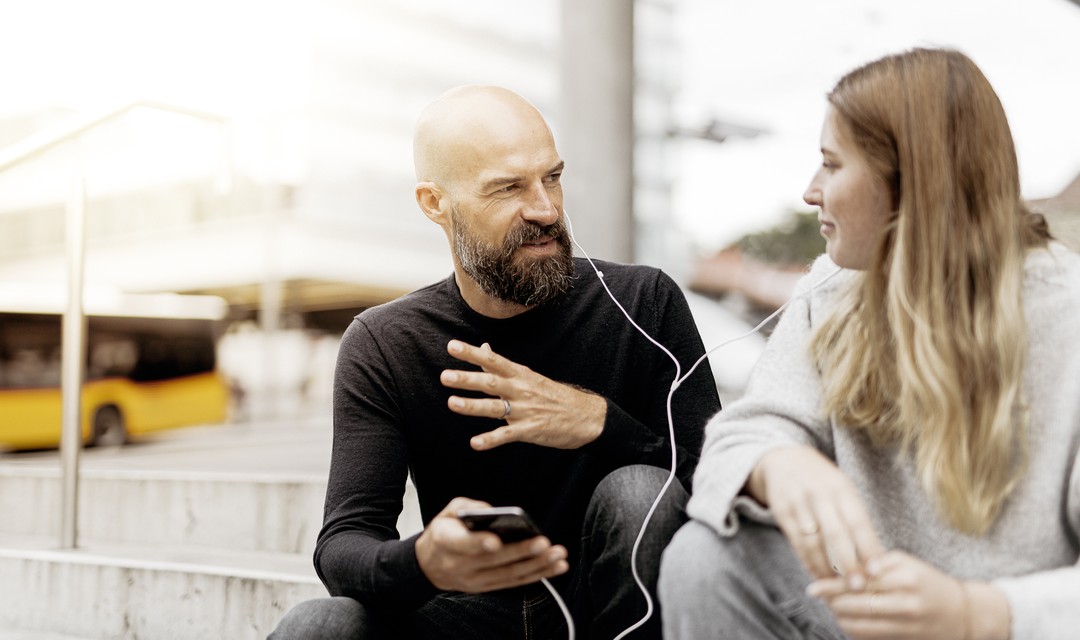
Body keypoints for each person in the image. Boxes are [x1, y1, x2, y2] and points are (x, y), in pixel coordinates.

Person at [269, 85, 721, 639]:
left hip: (602, 608)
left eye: (552, 177)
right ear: (435, 204)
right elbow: (345, 542)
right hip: (459, 615)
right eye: (508, 187)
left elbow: (722, 486)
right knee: (320, 624)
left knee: (638, 492)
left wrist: (602, 424)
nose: (546, 209)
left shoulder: (643, 302)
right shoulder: (385, 342)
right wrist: (423, 562)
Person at [660, 47, 1080, 640]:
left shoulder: (1068, 315)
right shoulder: (829, 292)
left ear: (912, 183)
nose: (811, 191)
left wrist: (975, 612)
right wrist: (777, 464)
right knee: (705, 560)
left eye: (832, 165)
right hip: (865, 617)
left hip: (1008, 627)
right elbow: (740, 437)